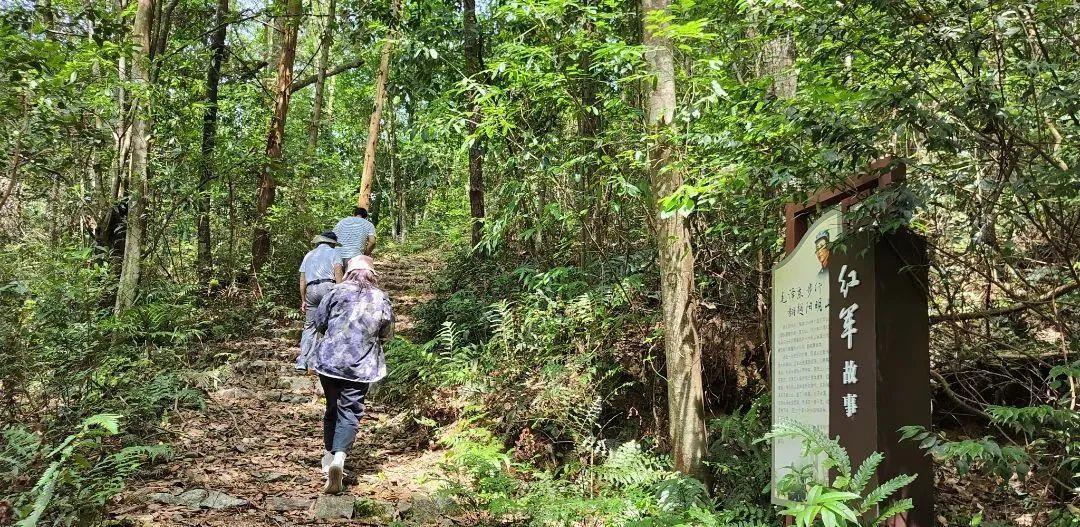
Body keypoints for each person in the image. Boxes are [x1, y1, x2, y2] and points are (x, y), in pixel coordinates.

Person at [311, 255, 394, 494]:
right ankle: (339, 458)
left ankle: (328, 458)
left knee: (331, 407)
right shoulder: (381, 298)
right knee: (350, 411)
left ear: (349, 272)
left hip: (329, 362)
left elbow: (319, 322)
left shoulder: (335, 293)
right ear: (371, 274)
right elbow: (386, 332)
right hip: (360, 366)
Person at [296, 231, 344, 371]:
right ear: (332, 243)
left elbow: (302, 279)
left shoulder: (309, 255)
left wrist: (303, 299)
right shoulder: (334, 254)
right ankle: (318, 361)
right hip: (328, 287)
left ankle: (302, 361)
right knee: (328, 324)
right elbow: (338, 274)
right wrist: (340, 293)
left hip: (311, 289)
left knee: (309, 326)